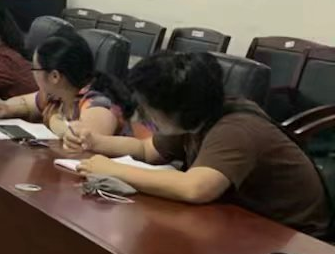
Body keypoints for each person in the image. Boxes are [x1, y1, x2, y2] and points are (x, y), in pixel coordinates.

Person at [73, 51, 331, 236]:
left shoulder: (236, 129)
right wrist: (96, 141)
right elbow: (146, 150)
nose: (144, 116)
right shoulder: (195, 116)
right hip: (240, 220)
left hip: (292, 238)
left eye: (148, 108)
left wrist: (112, 169)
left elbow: (195, 188)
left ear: (176, 107)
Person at [0, 31, 145, 148]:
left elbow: (83, 144)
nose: (32, 73)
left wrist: (55, 122)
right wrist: (6, 108)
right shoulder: (57, 94)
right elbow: (26, 102)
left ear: (54, 76)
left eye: (35, 69)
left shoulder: (97, 104)